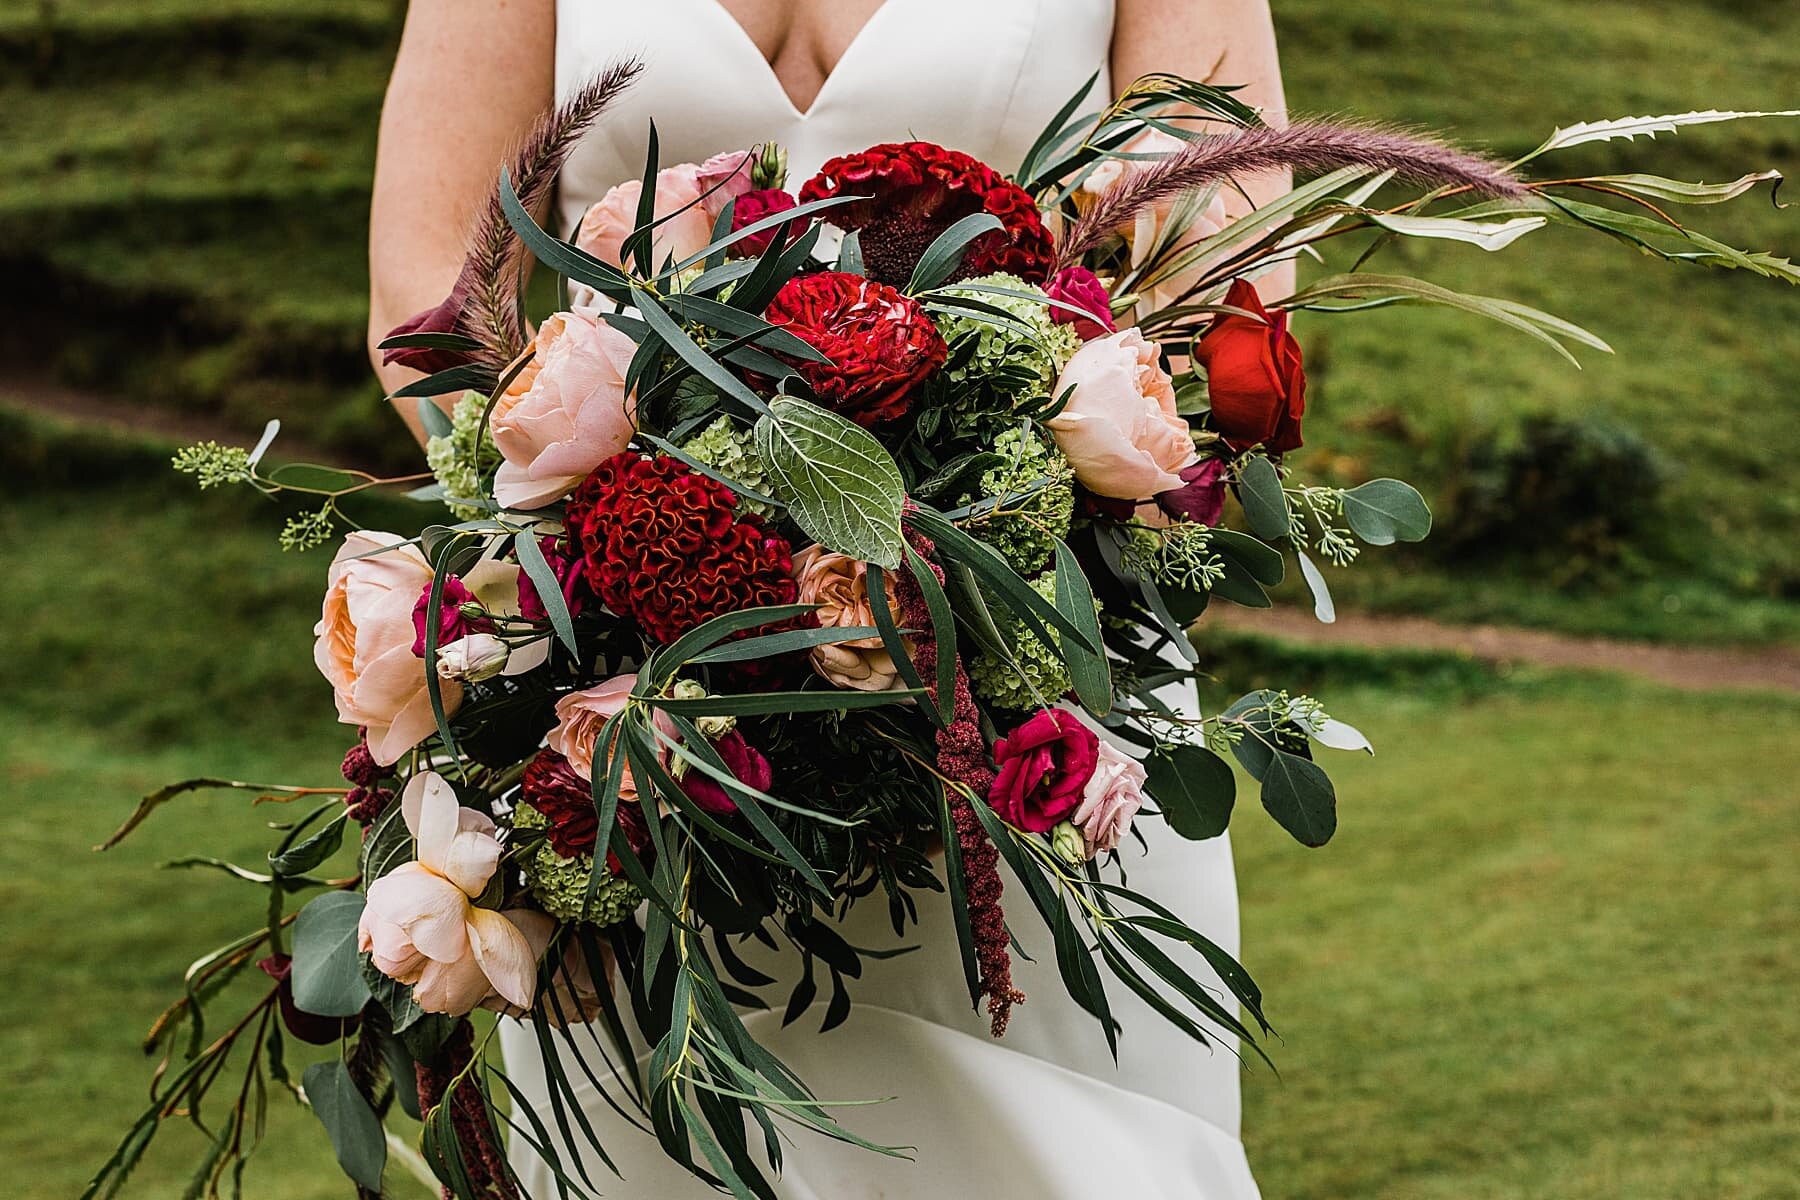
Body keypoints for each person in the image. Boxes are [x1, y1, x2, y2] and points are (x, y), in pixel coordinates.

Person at [368, 3, 1288, 1195]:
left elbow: (1229, 255)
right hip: (647, 731)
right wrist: (591, 548)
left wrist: (959, 530)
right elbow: (429, 289)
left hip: (1030, 709)